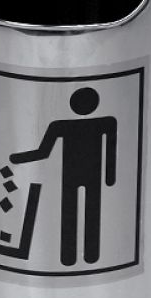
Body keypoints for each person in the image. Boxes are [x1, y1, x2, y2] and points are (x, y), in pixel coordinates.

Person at [10, 87, 116, 266]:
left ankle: (72, 257)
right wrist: (109, 177)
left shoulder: (66, 125)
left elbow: (42, 152)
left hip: (74, 175)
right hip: (86, 175)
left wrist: (18, 159)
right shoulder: (104, 122)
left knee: (74, 213)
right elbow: (111, 151)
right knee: (86, 213)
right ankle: (88, 256)